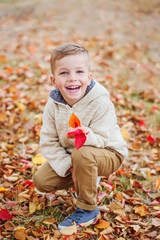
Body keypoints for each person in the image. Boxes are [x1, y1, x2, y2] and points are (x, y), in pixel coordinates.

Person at [33, 43, 128, 229]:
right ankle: (84, 176)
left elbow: (102, 139)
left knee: (82, 154)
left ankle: (88, 209)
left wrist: (87, 135)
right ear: (54, 81)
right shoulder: (53, 105)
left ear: (89, 76)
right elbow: (48, 142)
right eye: (64, 73)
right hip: (75, 158)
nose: (72, 78)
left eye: (79, 72)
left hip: (107, 153)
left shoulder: (100, 102)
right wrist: (69, 166)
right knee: (41, 181)